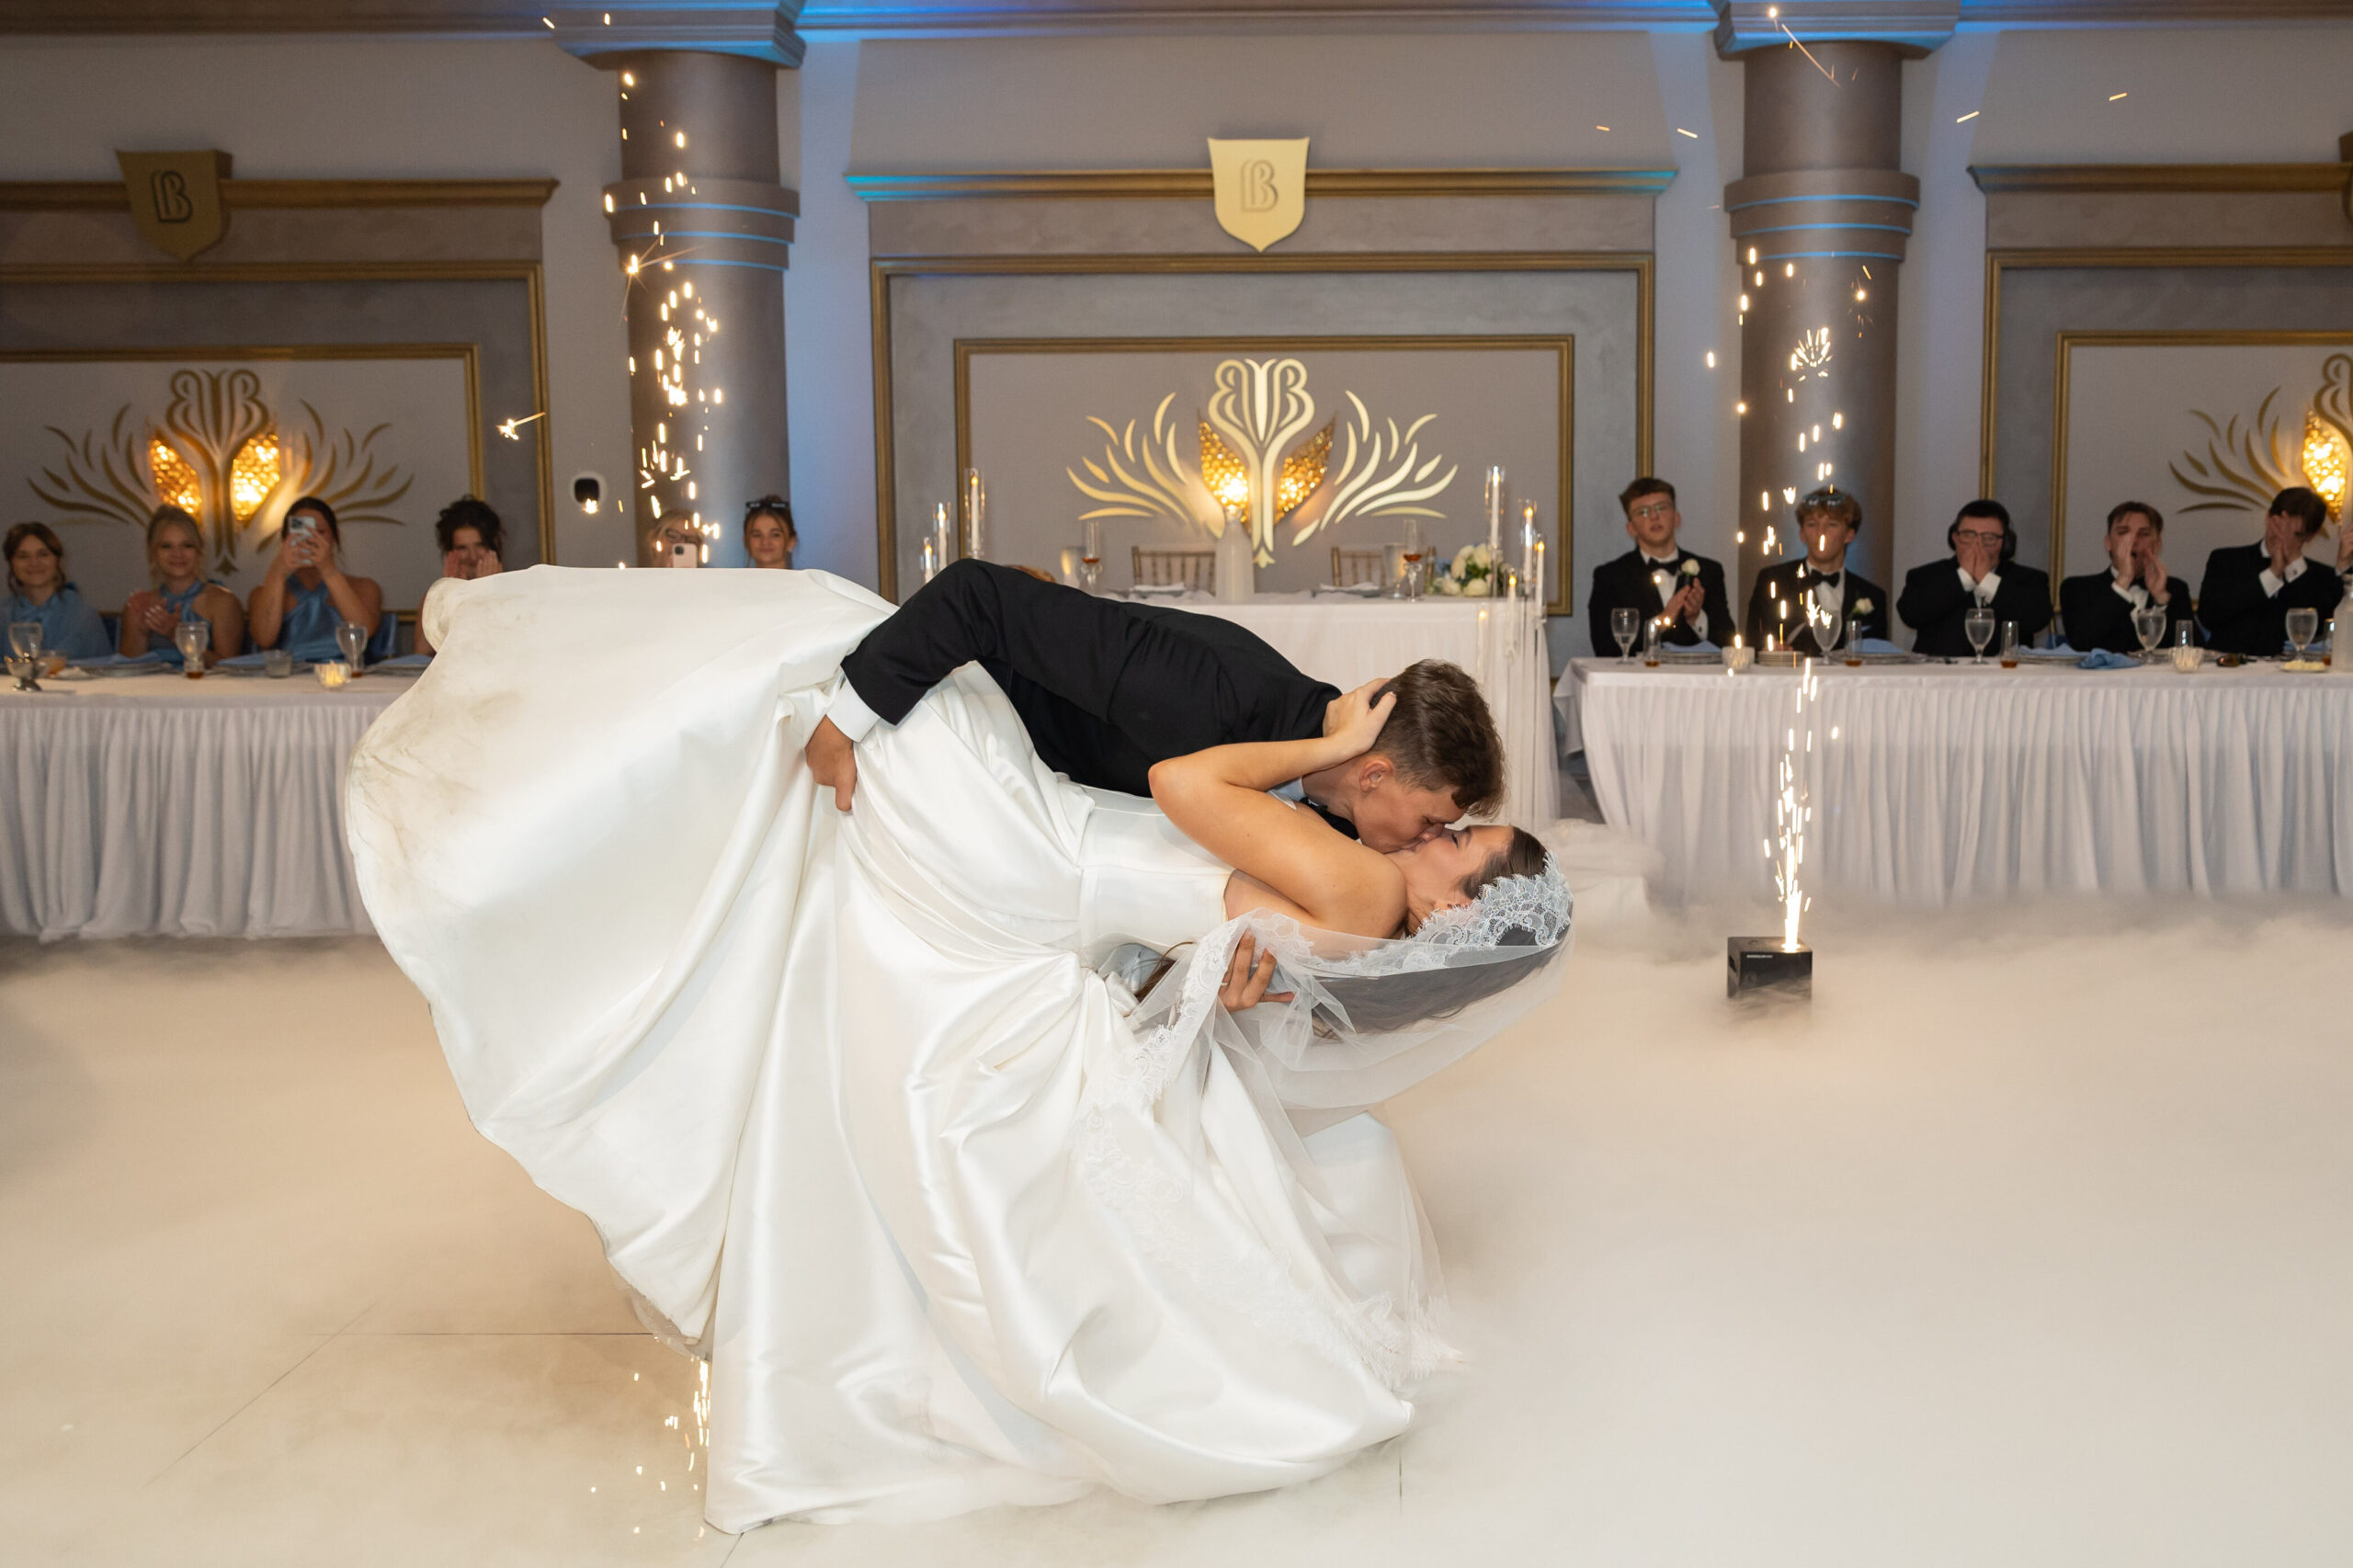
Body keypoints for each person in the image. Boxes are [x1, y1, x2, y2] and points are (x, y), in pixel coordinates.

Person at [346, 566, 1570, 1528]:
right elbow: (1179, 809)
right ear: (1387, 775)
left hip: (1044, 870)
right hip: (1039, 849)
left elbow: (1194, 806)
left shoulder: (1360, 878)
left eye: (1462, 838)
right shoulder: (1324, 822)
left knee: (839, 933)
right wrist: (861, 707)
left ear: (1458, 906)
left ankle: (575, 893)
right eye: (1448, 818)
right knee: (821, 858)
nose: (1442, 831)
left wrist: (1247, 889)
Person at [805, 558, 1505, 853]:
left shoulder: (1344, 824)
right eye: (1431, 820)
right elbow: (975, 596)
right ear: (1374, 772)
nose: (1429, 839)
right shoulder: (1210, 689)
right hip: (937, 741)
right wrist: (844, 724)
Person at [1586, 477, 1732, 654]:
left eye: (1661, 507)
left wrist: (1697, 618)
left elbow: (1728, 642)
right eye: (1643, 512)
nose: (1654, 516)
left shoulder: (1709, 571)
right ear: (1631, 528)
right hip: (1635, 681)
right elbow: (1605, 648)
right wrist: (1661, 622)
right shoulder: (1610, 576)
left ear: (1676, 518)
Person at [2196, 486, 2348, 656]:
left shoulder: (2321, 577)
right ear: (2268, 517)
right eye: (2279, 527)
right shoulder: (2226, 560)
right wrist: (2272, 574)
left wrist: (2294, 566)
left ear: (2311, 536)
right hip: (2229, 668)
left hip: (2296, 675)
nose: (2283, 537)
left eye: (2296, 534)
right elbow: (2209, 616)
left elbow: (2322, 630)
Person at [1895, 499, 2052, 658]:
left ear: (2004, 543)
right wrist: (1964, 577)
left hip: (2006, 676)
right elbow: (1911, 615)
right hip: (1939, 676)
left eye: (1989, 538)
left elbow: (2036, 620)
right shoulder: (1925, 575)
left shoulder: (2031, 579)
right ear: (1955, 538)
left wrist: (1986, 580)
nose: (1978, 545)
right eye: (1968, 535)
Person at [1742, 487, 1889, 655]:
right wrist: (1770, 649)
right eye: (1812, 524)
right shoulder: (1774, 581)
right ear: (1802, 534)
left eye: (1831, 524)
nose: (1821, 533)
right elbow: (1753, 644)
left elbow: (1878, 660)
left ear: (1849, 535)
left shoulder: (1873, 596)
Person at [246, 495, 382, 662]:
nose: (310, 539)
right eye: (300, 532)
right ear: (285, 539)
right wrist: (277, 572)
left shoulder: (365, 587)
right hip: (288, 681)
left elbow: (364, 631)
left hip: (347, 677)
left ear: (334, 537)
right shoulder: (262, 593)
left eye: (319, 532)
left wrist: (328, 570)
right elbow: (264, 639)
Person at [2058, 501, 2196, 654]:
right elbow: (2082, 642)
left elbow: (2189, 645)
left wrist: (2162, 601)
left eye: (2144, 534)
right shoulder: (2077, 588)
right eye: (2124, 533)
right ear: (2108, 543)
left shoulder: (2175, 589)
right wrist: (2122, 582)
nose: (2134, 541)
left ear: (2157, 545)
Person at [118, 506, 244, 667]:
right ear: (154, 552)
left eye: (187, 545)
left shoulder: (223, 602)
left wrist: (178, 637)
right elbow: (126, 672)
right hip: (151, 691)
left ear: (199, 550)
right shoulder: (140, 604)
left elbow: (230, 669)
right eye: (166, 546)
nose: (177, 554)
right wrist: (142, 633)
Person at [3, 521, 113, 661]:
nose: (34, 563)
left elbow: (104, 673)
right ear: (11, 563)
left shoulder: (83, 615)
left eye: (43, 554)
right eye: (23, 556)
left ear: (58, 560)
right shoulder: (3, 615)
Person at [415, 496, 504, 655]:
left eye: (480, 545)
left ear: (494, 544)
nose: (472, 556)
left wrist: (485, 592)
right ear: (449, 551)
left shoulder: (517, 592)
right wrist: (448, 597)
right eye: (462, 548)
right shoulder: (435, 599)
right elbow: (421, 655)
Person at [744, 495, 796, 569]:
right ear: (746, 541)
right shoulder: (735, 580)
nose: (765, 542)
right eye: (757, 535)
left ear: (792, 541)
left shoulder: (806, 580)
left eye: (775, 535)